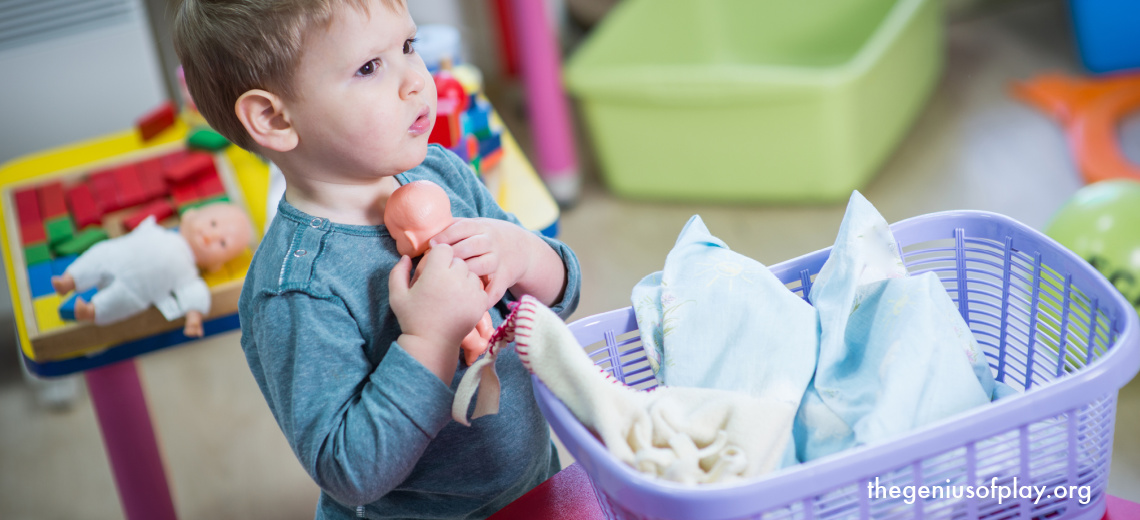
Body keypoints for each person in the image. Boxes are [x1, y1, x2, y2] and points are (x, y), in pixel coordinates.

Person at [172, 1, 582, 518]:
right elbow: (350, 472)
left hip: (536, 483)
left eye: (409, 46)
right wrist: (428, 340)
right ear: (274, 117)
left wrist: (525, 255)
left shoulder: (441, 171)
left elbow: (559, 299)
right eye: (370, 66)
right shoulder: (297, 289)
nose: (416, 80)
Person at [50, 202, 253, 337]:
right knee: (98, 255)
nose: (211, 235)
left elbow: (195, 294)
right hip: (117, 255)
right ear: (190, 216)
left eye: (223, 243)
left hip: (135, 290)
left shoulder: (188, 275)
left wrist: (194, 317)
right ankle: (69, 280)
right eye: (213, 223)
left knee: (121, 303)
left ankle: (91, 311)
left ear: (216, 265)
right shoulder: (159, 230)